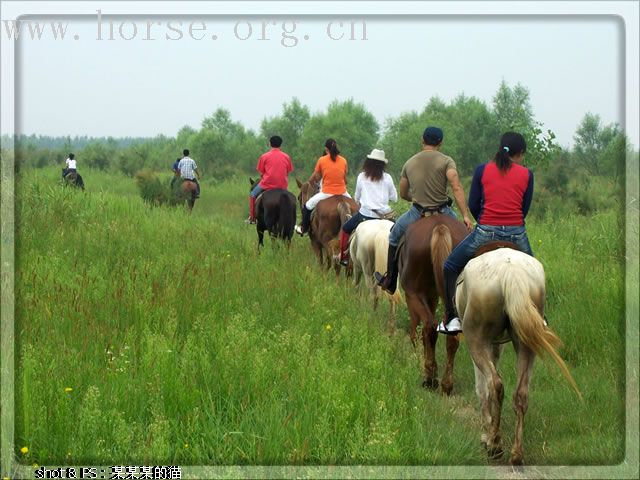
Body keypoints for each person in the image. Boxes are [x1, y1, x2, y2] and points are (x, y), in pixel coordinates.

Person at [437, 132, 535, 335]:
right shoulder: (527, 174)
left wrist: (485, 221)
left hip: (485, 232)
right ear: (519, 153)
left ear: (501, 148)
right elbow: (524, 209)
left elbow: (473, 203)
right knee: (535, 272)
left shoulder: (483, 170)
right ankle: (539, 316)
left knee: (450, 266)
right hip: (517, 233)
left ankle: (452, 317)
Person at [374, 126, 473, 294]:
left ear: (422, 140)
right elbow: (456, 187)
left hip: (417, 212)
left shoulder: (409, 163)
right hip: (444, 211)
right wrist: (465, 216)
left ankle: (390, 280)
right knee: (466, 238)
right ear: (440, 142)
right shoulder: (447, 161)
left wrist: (417, 198)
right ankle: (469, 282)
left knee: (394, 236)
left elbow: (403, 193)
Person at [337, 148, 398, 266]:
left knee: (345, 229)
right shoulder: (388, 177)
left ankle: (344, 257)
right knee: (401, 233)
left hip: (365, 215)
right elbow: (394, 197)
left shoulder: (361, 176)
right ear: (382, 164)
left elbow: (357, 197)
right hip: (385, 216)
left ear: (368, 162)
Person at [295, 138, 351, 236]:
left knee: (307, 206)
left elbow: (315, 177)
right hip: (343, 192)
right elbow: (345, 179)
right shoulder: (343, 160)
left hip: (327, 192)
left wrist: (310, 181)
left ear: (326, 149)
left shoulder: (322, 160)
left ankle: (304, 228)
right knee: (356, 207)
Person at [246, 135, 294, 224]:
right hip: (282, 185)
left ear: (270, 144)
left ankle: (252, 218)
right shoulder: (287, 157)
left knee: (252, 195)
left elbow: (261, 173)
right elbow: (287, 172)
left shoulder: (264, 156)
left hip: (266, 184)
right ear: (280, 145)